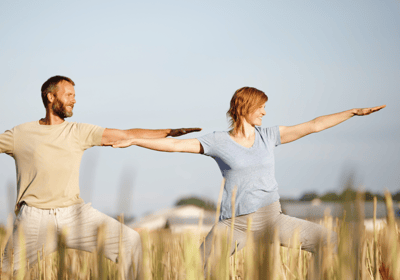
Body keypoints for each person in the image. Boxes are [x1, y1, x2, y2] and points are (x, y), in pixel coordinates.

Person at [111, 87, 386, 268]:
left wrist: (352, 112)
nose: (265, 112)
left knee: (328, 241)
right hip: (234, 225)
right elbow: (174, 146)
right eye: (261, 107)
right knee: (202, 270)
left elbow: (313, 125)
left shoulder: (269, 136)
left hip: (272, 218)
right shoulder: (218, 141)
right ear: (244, 107)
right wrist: (134, 139)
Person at [0, 75, 201, 279]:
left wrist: (166, 132)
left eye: (75, 95)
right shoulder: (21, 134)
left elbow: (124, 135)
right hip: (35, 219)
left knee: (130, 242)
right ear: (50, 97)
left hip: (74, 215)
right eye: (69, 95)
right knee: (6, 272)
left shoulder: (78, 131)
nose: (74, 100)